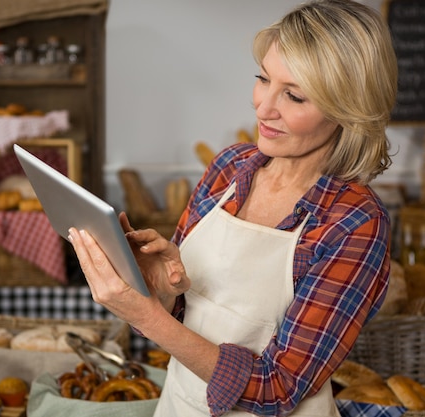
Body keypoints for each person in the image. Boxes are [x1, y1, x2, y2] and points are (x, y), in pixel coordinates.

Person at [68, 0, 398, 415]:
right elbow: (189, 319)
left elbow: (279, 387)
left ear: (347, 110)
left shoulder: (354, 223)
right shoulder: (230, 168)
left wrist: (149, 318)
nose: (263, 107)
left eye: (293, 96)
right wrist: (164, 288)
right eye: (263, 78)